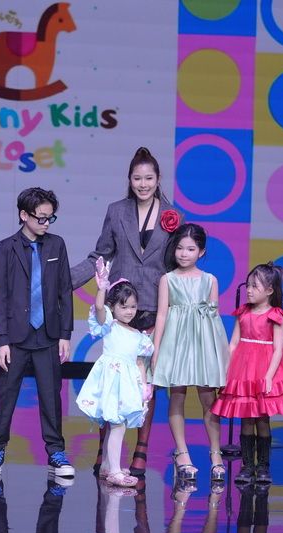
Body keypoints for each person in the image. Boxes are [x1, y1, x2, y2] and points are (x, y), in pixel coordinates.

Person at [70, 147, 183, 478]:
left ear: (158, 179)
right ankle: (105, 449)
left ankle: (140, 451)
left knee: (146, 384)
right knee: (115, 379)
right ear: (129, 180)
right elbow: (101, 254)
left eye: (149, 178)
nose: (143, 184)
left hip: (155, 307)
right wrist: (65, 280)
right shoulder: (117, 211)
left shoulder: (173, 215)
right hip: (121, 305)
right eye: (137, 178)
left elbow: (178, 263)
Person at [0, 187, 75, 483]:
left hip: (48, 335)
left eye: (50, 218)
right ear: (24, 215)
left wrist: (65, 334)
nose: (46, 223)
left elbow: (64, 290)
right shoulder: (6, 248)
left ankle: (56, 452)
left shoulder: (57, 245)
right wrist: (1, 341)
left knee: (51, 397)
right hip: (15, 337)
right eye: (41, 218)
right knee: (5, 395)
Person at [211, 262, 283, 482]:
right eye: (248, 285)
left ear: (269, 290)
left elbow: (278, 349)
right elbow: (233, 344)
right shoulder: (243, 312)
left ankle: (263, 466)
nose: (248, 290)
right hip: (243, 369)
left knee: (262, 419)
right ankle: (247, 466)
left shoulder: (275, 315)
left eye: (254, 286)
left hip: (265, 368)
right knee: (247, 418)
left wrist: (268, 376)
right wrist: (225, 370)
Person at [150, 223, 230, 483]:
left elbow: (214, 319)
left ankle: (216, 454)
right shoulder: (168, 279)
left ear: (201, 251)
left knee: (209, 399)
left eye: (191, 249)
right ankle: (182, 452)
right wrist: (156, 349)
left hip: (203, 343)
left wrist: (219, 354)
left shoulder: (210, 280)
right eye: (180, 248)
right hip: (176, 342)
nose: (184, 253)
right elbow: (162, 314)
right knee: (177, 395)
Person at [75, 260, 154, 488]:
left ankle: (109, 466)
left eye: (133, 306)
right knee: (117, 425)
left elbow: (140, 363)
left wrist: (144, 387)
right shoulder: (110, 325)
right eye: (123, 306)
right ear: (113, 307)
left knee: (117, 425)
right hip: (112, 383)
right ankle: (115, 472)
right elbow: (100, 309)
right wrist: (101, 287)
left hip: (127, 385)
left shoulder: (138, 336)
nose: (129, 311)